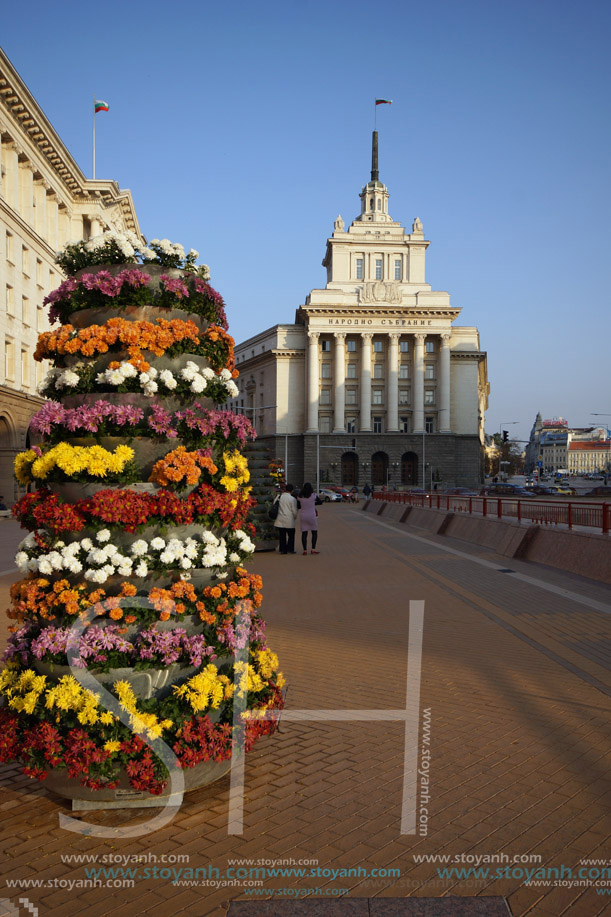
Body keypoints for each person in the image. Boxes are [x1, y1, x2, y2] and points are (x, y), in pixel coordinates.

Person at [274, 483, 298, 554]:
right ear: (292, 490)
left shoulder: (279, 496)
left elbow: (274, 504)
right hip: (289, 519)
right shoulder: (292, 499)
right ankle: (290, 548)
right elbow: (294, 510)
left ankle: (283, 549)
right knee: (291, 535)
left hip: (280, 518)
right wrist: (295, 516)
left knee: (282, 536)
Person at [299, 482, 320, 554]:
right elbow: (320, 502)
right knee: (314, 532)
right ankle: (313, 549)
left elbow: (298, 505)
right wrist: (313, 503)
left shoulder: (300, 496)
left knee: (304, 533)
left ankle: (305, 550)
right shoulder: (314, 495)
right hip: (311, 515)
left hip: (303, 515)